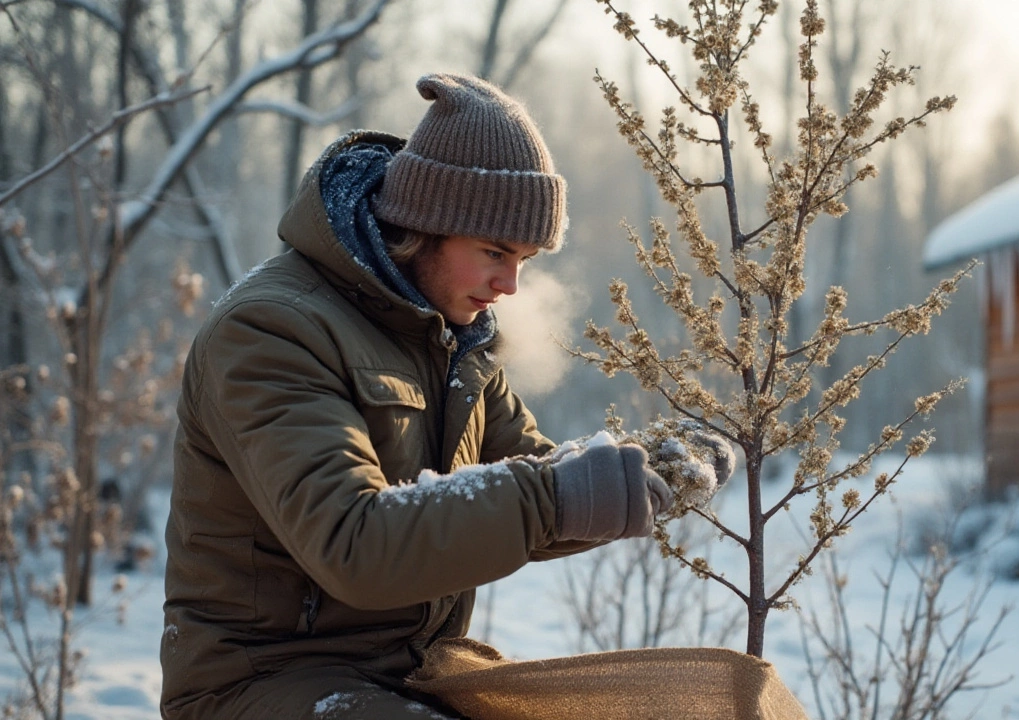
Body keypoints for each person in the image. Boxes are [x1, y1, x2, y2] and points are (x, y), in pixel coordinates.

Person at [160, 73, 728, 720]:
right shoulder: (272, 331)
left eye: (526, 259)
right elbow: (354, 544)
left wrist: (644, 473)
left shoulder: (452, 339)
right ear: (424, 225)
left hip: (410, 677)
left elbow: (541, 482)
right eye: (494, 251)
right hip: (261, 686)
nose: (510, 285)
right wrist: (560, 496)